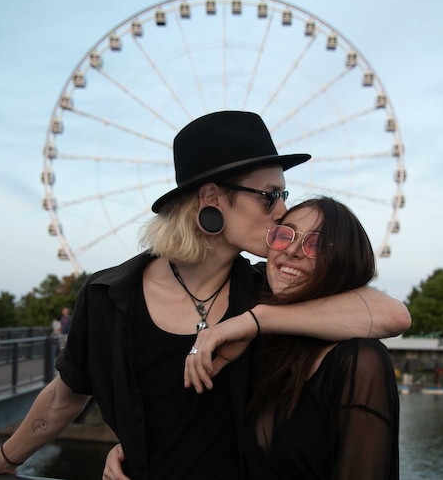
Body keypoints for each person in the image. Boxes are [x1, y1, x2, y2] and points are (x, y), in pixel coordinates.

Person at [0, 110, 409, 479]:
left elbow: (389, 315)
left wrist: (253, 321)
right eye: (269, 195)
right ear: (211, 197)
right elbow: (66, 396)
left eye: (283, 195)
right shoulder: (108, 296)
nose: (283, 210)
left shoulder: (266, 291)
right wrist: (5, 461)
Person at [107, 197, 399, 479]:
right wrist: (135, 449)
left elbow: (397, 316)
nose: (292, 251)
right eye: (285, 236)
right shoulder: (260, 350)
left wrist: (254, 320)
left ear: (344, 261)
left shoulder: (359, 362)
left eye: (316, 244)